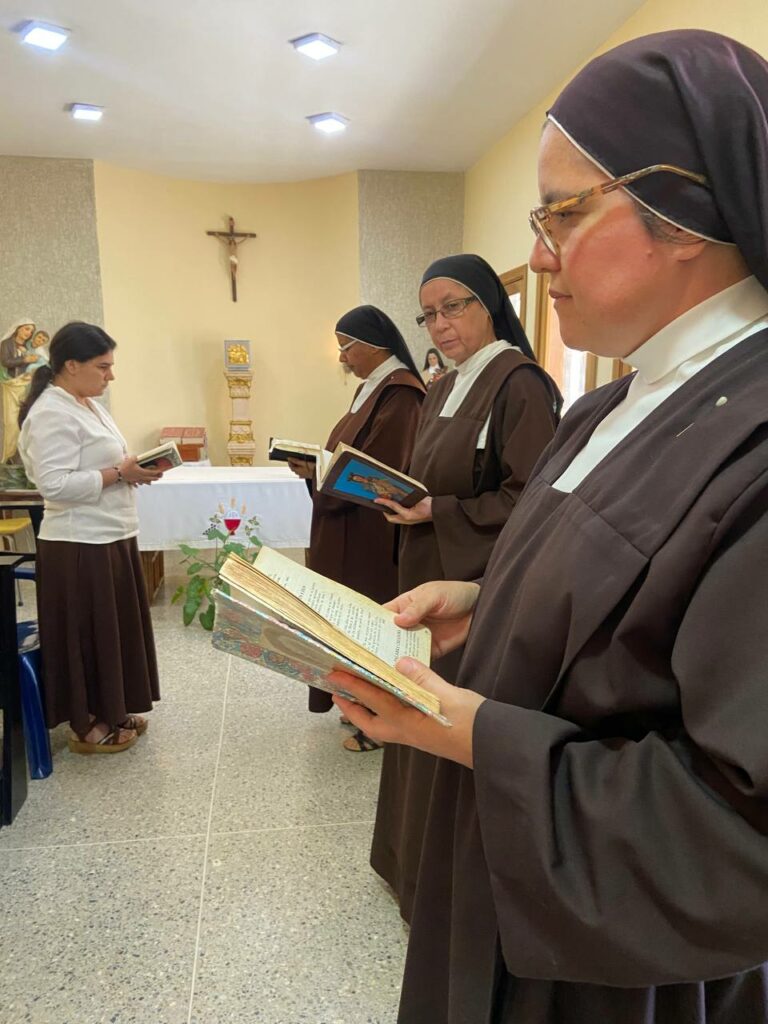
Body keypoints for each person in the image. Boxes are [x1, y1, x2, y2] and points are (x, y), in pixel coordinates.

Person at [329, 29, 768, 1024]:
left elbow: (742, 829)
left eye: (563, 212)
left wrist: (477, 732)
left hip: (616, 961)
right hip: (504, 879)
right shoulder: (607, 407)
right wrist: (484, 603)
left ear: (688, 210)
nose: (534, 256)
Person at [370, 253, 561, 920]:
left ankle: (446, 891)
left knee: (445, 720)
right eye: (428, 313)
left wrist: (438, 513)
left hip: (472, 589)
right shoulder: (448, 384)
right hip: (426, 569)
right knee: (411, 703)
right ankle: (406, 861)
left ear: (489, 303)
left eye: (455, 306)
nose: (440, 324)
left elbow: (535, 499)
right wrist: (402, 498)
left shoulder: (519, 383)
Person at [18, 322, 163, 754]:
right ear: (71, 364)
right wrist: (121, 473)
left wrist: (132, 466)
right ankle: (86, 725)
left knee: (111, 631)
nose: (110, 376)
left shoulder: (85, 404)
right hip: (78, 543)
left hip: (110, 533)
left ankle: (113, 707)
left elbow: (100, 461)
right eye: (103, 367)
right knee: (87, 633)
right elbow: (55, 485)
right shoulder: (50, 413)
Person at [287, 305, 425, 751]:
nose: (343, 358)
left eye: (347, 348)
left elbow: (379, 469)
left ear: (372, 346)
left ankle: (380, 718)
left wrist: (321, 471)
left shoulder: (401, 393)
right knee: (345, 621)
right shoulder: (373, 388)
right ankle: (358, 707)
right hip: (348, 526)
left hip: (369, 534)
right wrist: (315, 468)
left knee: (367, 621)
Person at [0, 320, 38, 461]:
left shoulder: (28, 347)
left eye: (31, 331)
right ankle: (7, 456)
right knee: (10, 421)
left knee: (22, 419)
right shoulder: (6, 344)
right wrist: (25, 360)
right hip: (11, 385)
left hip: (25, 385)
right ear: (18, 329)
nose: (29, 333)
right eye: (26, 329)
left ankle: (20, 458)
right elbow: (5, 362)